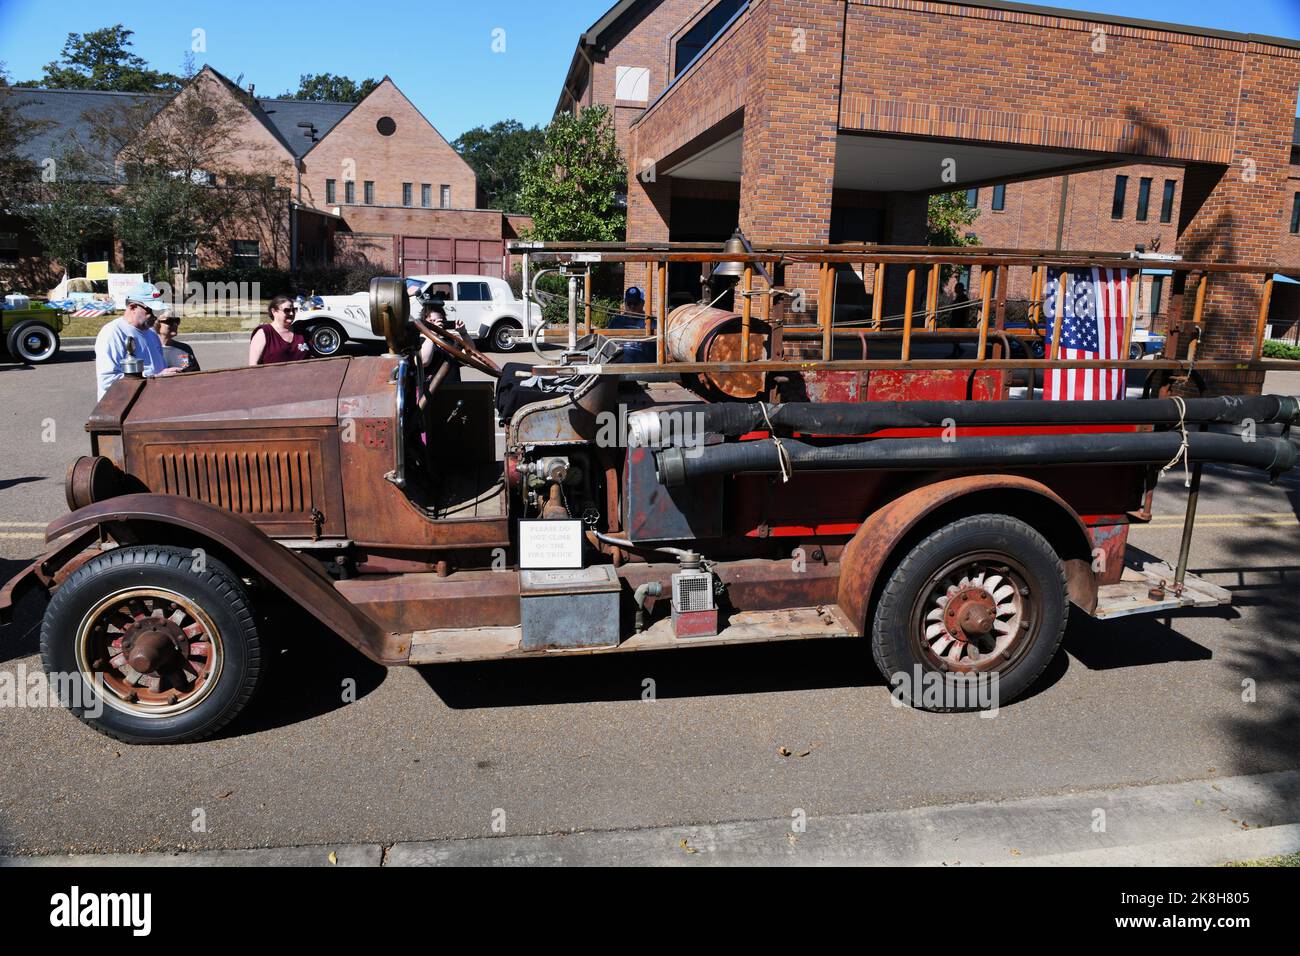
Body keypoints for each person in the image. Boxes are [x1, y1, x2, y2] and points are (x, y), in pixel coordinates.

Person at [94, 282, 179, 400]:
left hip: (149, 403)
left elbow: (159, 370)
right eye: (150, 310)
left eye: (157, 311)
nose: (155, 315)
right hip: (122, 408)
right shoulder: (112, 333)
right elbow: (108, 381)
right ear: (132, 307)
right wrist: (155, 378)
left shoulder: (152, 333)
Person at [249, 295, 310, 365]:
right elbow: (253, 365)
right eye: (287, 310)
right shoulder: (264, 333)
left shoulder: (302, 333)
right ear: (274, 311)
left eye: (293, 310)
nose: (291, 313)